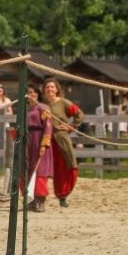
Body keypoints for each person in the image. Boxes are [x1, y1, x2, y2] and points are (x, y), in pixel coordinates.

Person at [42, 78, 84, 207]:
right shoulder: (42, 105)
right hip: (45, 140)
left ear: (57, 89)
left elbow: (79, 114)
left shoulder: (63, 102)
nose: (50, 89)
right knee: (42, 169)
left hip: (60, 139)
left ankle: (63, 195)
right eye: (47, 87)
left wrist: (71, 127)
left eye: (52, 87)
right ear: (44, 90)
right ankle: (39, 197)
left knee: (65, 167)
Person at [25, 85, 55, 213]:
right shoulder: (25, 110)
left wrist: (44, 144)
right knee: (28, 172)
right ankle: (30, 200)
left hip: (39, 140)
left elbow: (48, 127)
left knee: (40, 172)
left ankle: (40, 201)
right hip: (28, 142)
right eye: (29, 92)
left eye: (33, 92)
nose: (31, 95)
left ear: (37, 94)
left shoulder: (43, 108)